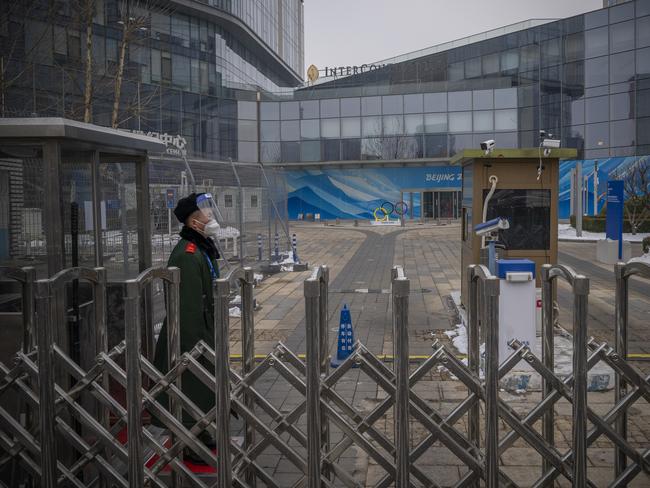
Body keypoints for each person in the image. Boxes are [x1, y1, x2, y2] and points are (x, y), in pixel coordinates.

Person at [152, 192, 221, 457]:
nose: (210, 216)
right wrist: (196, 347)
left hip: (204, 329)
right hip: (191, 337)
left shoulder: (200, 247)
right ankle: (189, 440)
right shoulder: (188, 254)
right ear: (194, 222)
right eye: (205, 213)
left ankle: (200, 430)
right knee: (191, 385)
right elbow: (189, 307)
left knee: (202, 389)